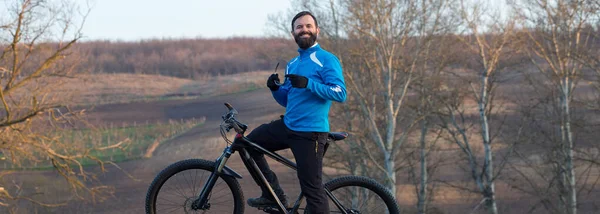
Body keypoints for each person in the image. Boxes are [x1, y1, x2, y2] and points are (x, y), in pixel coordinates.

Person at [245, 11, 347, 214]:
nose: (304, 30)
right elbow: (287, 100)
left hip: (311, 133)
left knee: (313, 190)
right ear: (293, 33)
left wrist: (309, 83)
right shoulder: (293, 63)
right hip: (288, 126)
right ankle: (272, 195)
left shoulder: (326, 59)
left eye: (308, 26)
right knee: (248, 146)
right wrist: (275, 89)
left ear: (317, 30)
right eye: (299, 27)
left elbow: (340, 93)